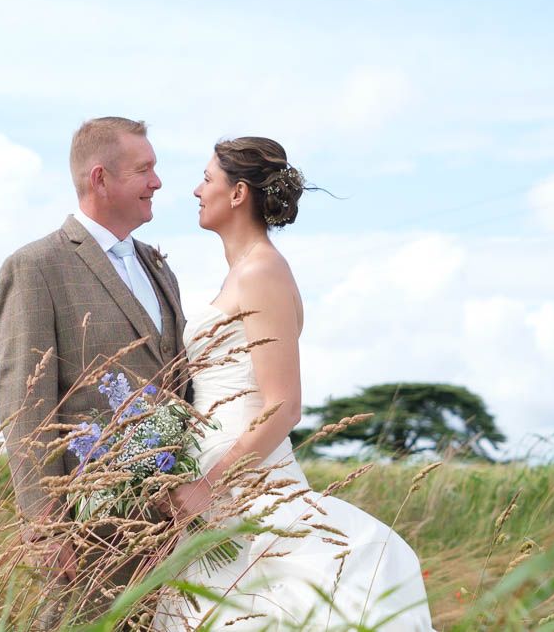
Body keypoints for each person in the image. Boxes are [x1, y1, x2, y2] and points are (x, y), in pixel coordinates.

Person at [154, 137, 433, 631]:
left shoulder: (264, 272)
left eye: (207, 179)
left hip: (245, 482)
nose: (196, 190)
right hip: (216, 479)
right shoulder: (241, 272)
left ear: (238, 193)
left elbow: (284, 405)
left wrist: (207, 486)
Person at [0, 116, 190, 623]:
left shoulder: (159, 265)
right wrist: (44, 523)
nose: (158, 182)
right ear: (100, 178)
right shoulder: (37, 266)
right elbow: (24, 402)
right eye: (144, 170)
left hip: (171, 523)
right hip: (87, 531)